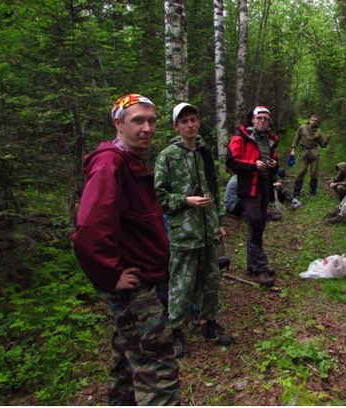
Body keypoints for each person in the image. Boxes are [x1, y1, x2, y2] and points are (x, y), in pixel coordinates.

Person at [72, 93, 180, 405]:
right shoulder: (109, 165)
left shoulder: (131, 162)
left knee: (127, 362)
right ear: (118, 123)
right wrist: (110, 275)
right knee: (158, 369)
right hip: (132, 287)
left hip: (145, 278)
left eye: (151, 121)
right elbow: (88, 232)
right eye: (138, 121)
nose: (147, 128)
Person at [154, 102, 233, 358]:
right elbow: (158, 196)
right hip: (183, 233)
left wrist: (219, 221)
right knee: (181, 284)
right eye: (184, 121)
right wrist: (185, 201)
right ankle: (177, 331)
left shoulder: (204, 152)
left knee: (211, 280)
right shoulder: (168, 156)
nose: (190, 125)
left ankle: (210, 324)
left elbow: (214, 188)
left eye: (193, 120)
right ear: (176, 126)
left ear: (199, 123)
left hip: (208, 230)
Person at [226, 106, 279, 287]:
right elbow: (231, 162)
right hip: (249, 187)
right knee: (256, 222)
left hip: (265, 185)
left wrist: (273, 164)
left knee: (259, 224)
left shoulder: (270, 140)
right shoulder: (241, 138)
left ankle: (252, 265)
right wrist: (252, 165)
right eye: (259, 118)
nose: (263, 121)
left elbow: (275, 160)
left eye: (265, 118)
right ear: (253, 120)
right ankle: (260, 268)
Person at [289, 114, 334, 198]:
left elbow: (322, 145)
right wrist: (293, 149)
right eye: (312, 120)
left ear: (317, 122)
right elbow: (296, 138)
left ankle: (312, 192)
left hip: (314, 152)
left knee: (314, 172)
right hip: (304, 151)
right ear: (310, 120)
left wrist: (327, 139)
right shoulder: (302, 128)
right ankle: (296, 193)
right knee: (301, 171)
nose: (314, 122)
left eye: (315, 121)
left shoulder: (318, 132)